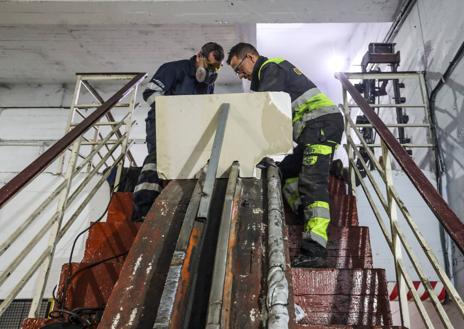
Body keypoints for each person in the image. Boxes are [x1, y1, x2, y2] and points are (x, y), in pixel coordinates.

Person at [227, 43, 344, 267]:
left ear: (251, 57)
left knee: (312, 183)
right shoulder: (266, 75)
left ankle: (315, 248)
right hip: (312, 131)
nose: (239, 74)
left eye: (238, 67)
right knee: (284, 172)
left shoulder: (271, 68)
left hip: (320, 126)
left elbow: (264, 110)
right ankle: (304, 213)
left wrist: (253, 153)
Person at [132, 42, 224, 221]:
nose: (211, 71)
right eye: (209, 65)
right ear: (199, 57)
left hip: (187, 128)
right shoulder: (174, 69)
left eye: (216, 67)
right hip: (163, 123)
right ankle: (143, 208)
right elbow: (150, 93)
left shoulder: (206, 84)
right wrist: (174, 110)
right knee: (157, 159)